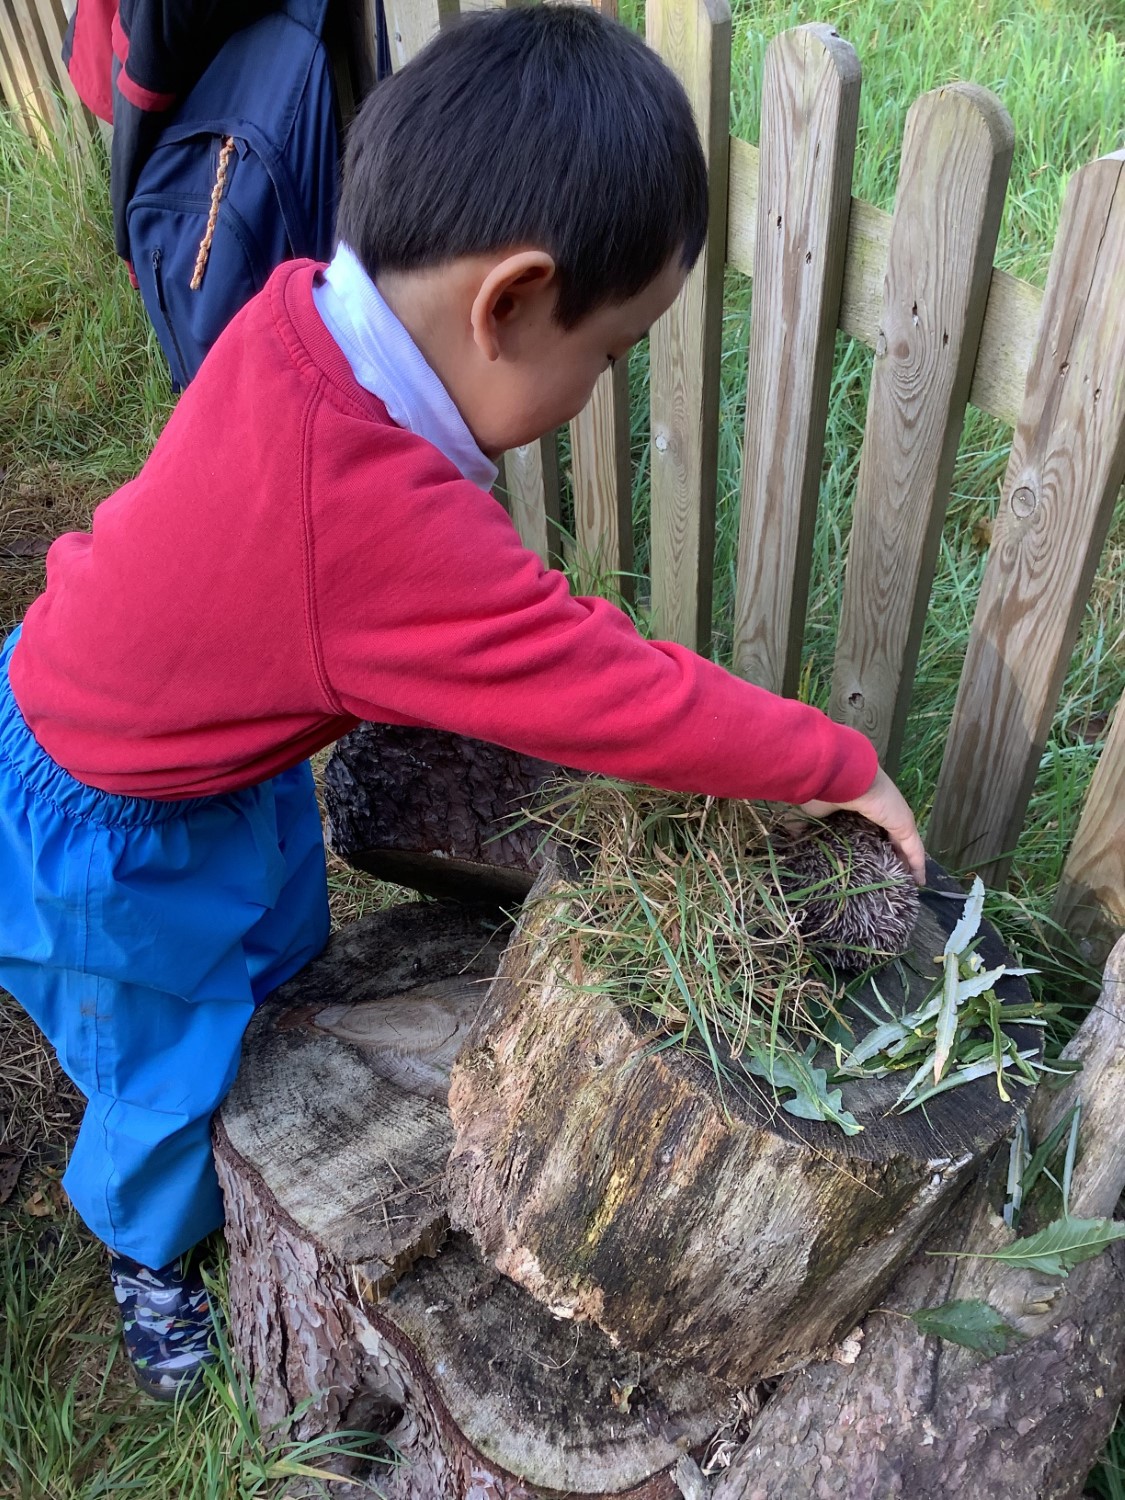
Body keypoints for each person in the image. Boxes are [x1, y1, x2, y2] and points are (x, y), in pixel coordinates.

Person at [0, 5, 925, 1402]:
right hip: (105, 830)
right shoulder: (367, 519)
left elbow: (504, 609)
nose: (600, 382)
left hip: (183, 744)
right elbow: (600, 691)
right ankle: (149, 1253)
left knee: (279, 945)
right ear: (506, 304)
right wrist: (828, 758)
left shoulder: (306, 313)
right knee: (167, 1059)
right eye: (608, 351)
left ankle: (254, 1091)